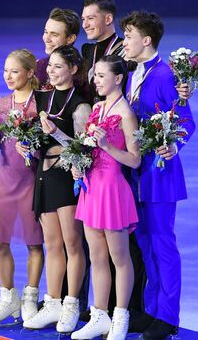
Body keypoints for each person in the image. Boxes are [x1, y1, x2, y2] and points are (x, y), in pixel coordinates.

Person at [120, 11, 196, 340]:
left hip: (161, 173)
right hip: (135, 172)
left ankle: (168, 317)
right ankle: (151, 311)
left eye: (128, 36)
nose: (124, 42)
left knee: (163, 244)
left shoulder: (166, 75)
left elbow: (186, 122)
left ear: (146, 40)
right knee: (145, 243)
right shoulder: (131, 73)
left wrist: (173, 145)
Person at [21, 45, 92, 334]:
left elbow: (84, 150)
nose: (51, 71)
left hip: (67, 177)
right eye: (50, 66)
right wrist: (26, 144)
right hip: (44, 176)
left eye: (59, 66)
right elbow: (39, 141)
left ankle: (72, 304)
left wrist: (57, 134)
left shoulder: (80, 104)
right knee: (51, 244)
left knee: (72, 244)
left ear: (73, 70)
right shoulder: (42, 98)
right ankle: (53, 303)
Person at [70, 55, 141, 340]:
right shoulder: (97, 108)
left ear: (118, 78)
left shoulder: (126, 114)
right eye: (95, 75)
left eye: (100, 75)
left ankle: (120, 317)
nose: (95, 80)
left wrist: (106, 145)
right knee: (97, 257)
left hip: (112, 190)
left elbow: (135, 160)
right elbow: (88, 150)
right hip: (91, 188)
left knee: (119, 258)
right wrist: (78, 164)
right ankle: (99, 315)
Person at [0, 49, 44, 327]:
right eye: (5, 70)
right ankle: (8, 297)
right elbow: (0, 138)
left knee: (34, 243)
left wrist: (33, 149)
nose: (8, 76)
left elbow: (46, 146)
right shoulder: (1, 104)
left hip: (30, 180)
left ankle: (30, 298)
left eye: (14, 71)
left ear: (30, 73)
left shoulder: (40, 105)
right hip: (5, 180)